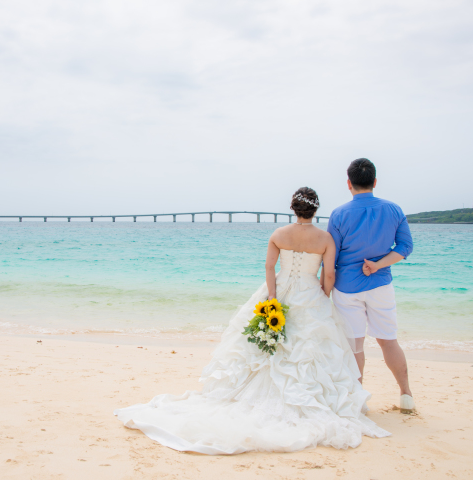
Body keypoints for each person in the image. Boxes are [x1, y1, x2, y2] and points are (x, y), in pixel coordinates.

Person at [114, 187, 389, 455]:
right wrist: (323, 298)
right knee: (306, 351)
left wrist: (272, 296)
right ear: (315, 210)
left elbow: (270, 266)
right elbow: (328, 275)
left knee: (262, 348)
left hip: (279, 290)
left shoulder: (279, 234)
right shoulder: (325, 239)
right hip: (310, 294)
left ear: (293, 208)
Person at [328, 158, 415, 414]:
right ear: (375, 182)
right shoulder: (394, 210)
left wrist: (323, 288)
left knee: (355, 345)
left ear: (348, 184)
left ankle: (359, 401)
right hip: (380, 285)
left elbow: (330, 257)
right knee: (388, 341)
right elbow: (405, 247)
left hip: (347, 288)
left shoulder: (339, 214)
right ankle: (406, 394)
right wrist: (377, 265)